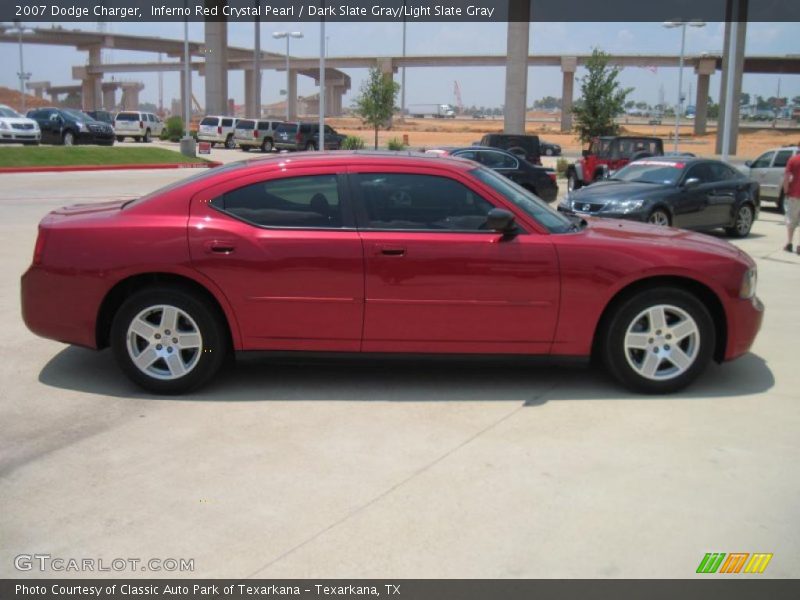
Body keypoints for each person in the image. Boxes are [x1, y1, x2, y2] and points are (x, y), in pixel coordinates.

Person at [783, 145, 800, 253]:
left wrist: (785, 191)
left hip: (793, 194)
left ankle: (789, 243)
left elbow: (786, 177)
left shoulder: (793, 160)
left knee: (791, 219)